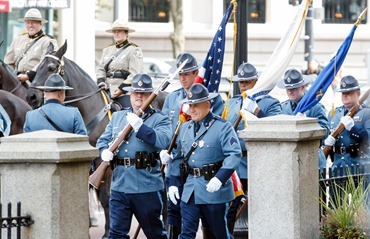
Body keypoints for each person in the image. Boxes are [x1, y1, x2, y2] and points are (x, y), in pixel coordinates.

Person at [96, 73, 171, 239]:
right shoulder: (117, 117)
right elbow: (103, 141)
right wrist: (104, 152)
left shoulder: (160, 119)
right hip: (120, 186)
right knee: (116, 234)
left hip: (146, 186)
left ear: (150, 96)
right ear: (130, 94)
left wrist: (141, 127)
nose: (139, 96)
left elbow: (163, 140)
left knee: (155, 233)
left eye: (143, 93)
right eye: (136, 92)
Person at [160, 52, 224, 238]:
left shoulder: (212, 98)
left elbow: (214, 129)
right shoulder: (172, 98)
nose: (182, 78)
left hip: (200, 166)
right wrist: (164, 150)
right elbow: (166, 128)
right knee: (173, 212)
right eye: (180, 74)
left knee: (206, 216)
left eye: (186, 74)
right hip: (175, 164)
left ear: (196, 73)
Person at [167, 83, 240, 239]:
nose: (192, 110)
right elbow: (178, 157)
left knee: (220, 234)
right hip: (191, 188)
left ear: (207, 105)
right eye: (190, 105)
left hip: (213, 189)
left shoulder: (222, 127)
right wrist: (173, 182)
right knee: (186, 233)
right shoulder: (185, 128)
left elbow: (234, 154)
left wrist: (220, 178)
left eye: (196, 105)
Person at [224, 62, 282, 234]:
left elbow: (277, 130)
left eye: (247, 81)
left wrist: (257, 111)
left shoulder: (270, 103)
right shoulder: (233, 102)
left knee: (265, 209)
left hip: (259, 162)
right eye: (240, 81)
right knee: (230, 211)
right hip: (236, 164)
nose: (242, 85)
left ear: (256, 81)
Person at [279, 68, 330, 169]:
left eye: (294, 88)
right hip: (289, 159)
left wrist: (306, 124)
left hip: (311, 156)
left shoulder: (314, 106)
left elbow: (325, 131)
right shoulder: (283, 107)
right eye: (288, 89)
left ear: (302, 87)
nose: (290, 92)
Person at [323, 75, 370, 168]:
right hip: (337, 165)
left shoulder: (366, 113)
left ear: (358, 93)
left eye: (348, 92)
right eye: (343, 93)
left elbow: (368, 138)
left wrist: (353, 129)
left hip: (357, 166)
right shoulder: (334, 113)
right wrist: (326, 142)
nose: (345, 95)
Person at [4, 8, 58, 86]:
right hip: (17, 80)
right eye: (28, 22)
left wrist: (28, 76)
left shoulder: (48, 41)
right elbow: (8, 62)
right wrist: (10, 76)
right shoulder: (18, 39)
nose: (30, 25)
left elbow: (46, 63)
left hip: (37, 81)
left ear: (40, 23)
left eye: (33, 22)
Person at [96, 18, 143, 101]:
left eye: (119, 31)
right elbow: (100, 69)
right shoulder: (107, 50)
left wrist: (121, 89)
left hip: (125, 92)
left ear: (126, 33)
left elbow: (135, 74)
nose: (116, 34)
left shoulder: (134, 50)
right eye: (114, 31)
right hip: (105, 91)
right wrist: (101, 82)